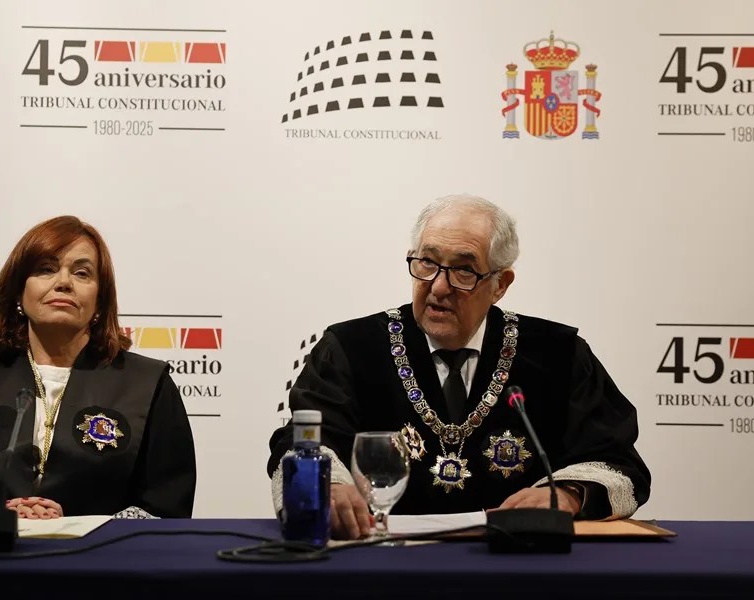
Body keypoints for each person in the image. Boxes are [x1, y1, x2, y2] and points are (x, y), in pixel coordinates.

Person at [267, 194, 651, 539]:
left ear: (501, 284)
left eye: (464, 271)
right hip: (379, 565)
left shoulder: (558, 354)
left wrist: (568, 495)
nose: (438, 286)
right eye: (427, 263)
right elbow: (301, 441)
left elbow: (616, 459)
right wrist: (325, 486)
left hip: (520, 570)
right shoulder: (351, 348)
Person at [0, 216, 196, 520]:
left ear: (100, 298)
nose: (64, 282)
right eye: (46, 269)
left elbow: (167, 508)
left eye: (82, 273)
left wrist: (75, 525)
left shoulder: (147, 385)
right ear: (19, 291)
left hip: (102, 563)